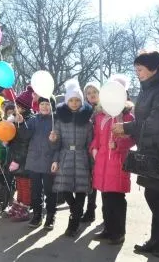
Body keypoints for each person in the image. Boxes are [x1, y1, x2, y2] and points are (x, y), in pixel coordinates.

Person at [112, 51, 159, 258]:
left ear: (154, 68)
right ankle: (157, 240)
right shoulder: (149, 89)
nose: (138, 74)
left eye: (140, 69)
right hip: (152, 151)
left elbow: (156, 123)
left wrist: (127, 128)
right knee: (155, 195)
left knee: (154, 196)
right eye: (136, 70)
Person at [90, 76, 135, 245]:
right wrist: (94, 149)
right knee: (106, 198)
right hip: (102, 162)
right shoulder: (101, 116)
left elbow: (132, 139)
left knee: (117, 199)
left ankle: (118, 232)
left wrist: (118, 144)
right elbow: (97, 137)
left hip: (117, 162)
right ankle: (108, 229)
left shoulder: (127, 116)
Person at [50, 79, 93, 237]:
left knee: (81, 191)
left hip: (82, 157)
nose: (74, 103)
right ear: (67, 101)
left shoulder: (88, 123)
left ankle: (73, 223)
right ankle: (76, 210)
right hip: (65, 157)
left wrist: (92, 163)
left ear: (81, 102)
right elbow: (56, 144)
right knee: (65, 189)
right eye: (71, 100)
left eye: (77, 100)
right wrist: (53, 142)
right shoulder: (60, 121)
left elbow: (90, 145)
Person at [25, 96, 58, 230]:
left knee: (50, 191)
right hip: (34, 160)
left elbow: (60, 144)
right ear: (38, 106)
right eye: (42, 104)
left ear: (52, 106)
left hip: (49, 161)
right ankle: (37, 214)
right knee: (35, 190)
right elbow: (25, 136)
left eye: (47, 104)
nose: (44, 107)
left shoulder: (56, 121)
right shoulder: (33, 120)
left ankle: (50, 215)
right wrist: (21, 123)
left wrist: (53, 142)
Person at [5, 87, 34, 221]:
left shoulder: (29, 120)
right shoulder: (14, 119)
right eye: (16, 105)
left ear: (26, 108)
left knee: (25, 184)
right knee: (19, 183)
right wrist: (7, 141)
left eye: (20, 107)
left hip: (24, 158)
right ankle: (18, 204)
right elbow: (13, 137)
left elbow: (25, 139)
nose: (17, 108)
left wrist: (21, 123)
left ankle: (25, 207)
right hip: (15, 156)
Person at [80, 81, 101, 223]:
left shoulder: (105, 109)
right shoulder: (84, 110)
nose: (92, 95)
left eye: (94, 92)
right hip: (86, 150)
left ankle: (109, 214)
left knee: (102, 182)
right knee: (89, 181)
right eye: (89, 93)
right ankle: (90, 210)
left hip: (101, 150)